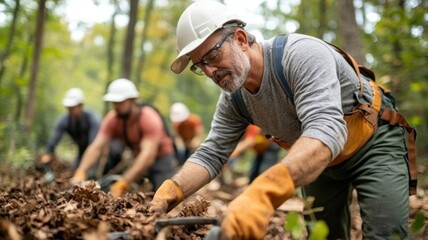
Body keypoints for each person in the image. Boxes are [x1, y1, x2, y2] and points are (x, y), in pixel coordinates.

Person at [149, 1, 416, 239]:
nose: (209, 71)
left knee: (386, 232)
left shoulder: (300, 55)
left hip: (372, 141)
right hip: (319, 159)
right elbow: (212, 153)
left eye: (213, 56)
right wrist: (173, 189)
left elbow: (326, 128)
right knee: (323, 235)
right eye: (199, 65)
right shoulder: (234, 99)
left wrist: (262, 194)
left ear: (241, 39)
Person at [71, 78, 175, 198]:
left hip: (160, 160)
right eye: (114, 103)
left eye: (120, 102)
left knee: (164, 196)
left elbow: (148, 156)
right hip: (138, 160)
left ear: (133, 100)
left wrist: (124, 182)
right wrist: (81, 172)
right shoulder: (113, 119)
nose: (116, 106)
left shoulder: (149, 117)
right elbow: (96, 147)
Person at [41, 88, 100, 170]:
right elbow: (55, 138)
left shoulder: (92, 118)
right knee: (73, 171)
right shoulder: (65, 120)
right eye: (69, 108)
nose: (71, 110)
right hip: (81, 151)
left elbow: (94, 144)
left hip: (96, 152)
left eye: (73, 107)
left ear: (81, 105)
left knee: (91, 174)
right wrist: (48, 153)